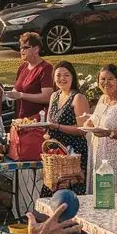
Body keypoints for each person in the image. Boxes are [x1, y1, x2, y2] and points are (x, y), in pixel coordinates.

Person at [86, 64, 117, 193]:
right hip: (98, 155)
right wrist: (89, 123)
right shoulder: (102, 99)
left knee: (114, 196)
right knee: (98, 196)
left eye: (110, 79)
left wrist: (109, 133)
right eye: (102, 79)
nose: (106, 83)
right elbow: (96, 120)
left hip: (116, 160)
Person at [41, 61, 90, 194]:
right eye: (58, 75)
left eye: (66, 75)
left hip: (72, 153)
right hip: (55, 154)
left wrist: (58, 127)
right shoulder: (54, 96)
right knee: (51, 191)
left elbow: (83, 130)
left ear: (72, 77)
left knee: (69, 195)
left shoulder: (78, 98)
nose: (62, 78)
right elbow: (49, 122)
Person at [10, 32, 53, 119]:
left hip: (37, 122)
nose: (22, 50)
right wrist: (9, 95)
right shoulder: (23, 67)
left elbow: (47, 97)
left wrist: (22, 95)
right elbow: (17, 89)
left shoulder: (46, 68)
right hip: (20, 120)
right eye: (21, 47)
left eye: (25, 47)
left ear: (36, 49)